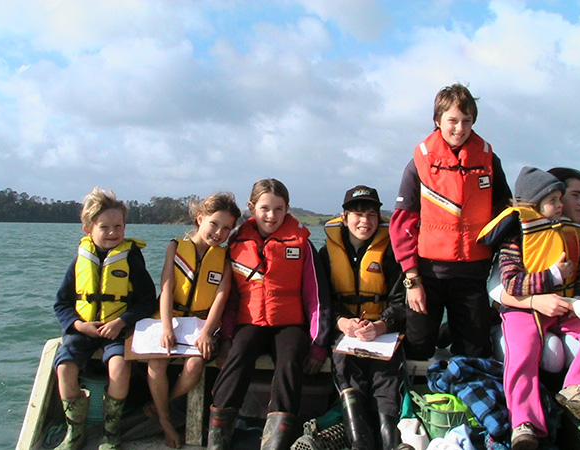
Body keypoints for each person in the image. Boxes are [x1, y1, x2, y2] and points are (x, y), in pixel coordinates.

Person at [206, 178, 331, 450]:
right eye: (264, 208)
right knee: (237, 357)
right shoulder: (237, 243)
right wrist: (226, 337)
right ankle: (218, 441)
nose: (271, 215)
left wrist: (319, 346)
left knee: (289, 363)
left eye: (278, 209)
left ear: (287, 209)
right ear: (252, 207)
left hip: (290, 325)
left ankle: (275, 443)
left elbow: (317, 298)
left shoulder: (303, 244)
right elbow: (230, 298)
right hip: (249, 322)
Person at [389, 83, 511, 360]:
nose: (460, 128)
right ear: (437, 120)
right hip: (428, 275)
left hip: (473, 275)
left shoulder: (490, 161)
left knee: (475, 350)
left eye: (466, 121)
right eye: (452, 120)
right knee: (418, 347)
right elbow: (403, 223)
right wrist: (412, 279)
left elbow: (504, 214)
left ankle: (468, 399)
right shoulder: (418, 163)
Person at [478, 167, 580, 450]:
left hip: (563, 310)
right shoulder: (518, 235)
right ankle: (524, 423)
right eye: (574, 195)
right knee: (526, 350)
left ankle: (577, 390)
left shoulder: (573, 236)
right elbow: (505, 287)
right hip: (525, 313)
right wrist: (550, 281)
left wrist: (578, 303)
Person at [53, 187, 157, 450]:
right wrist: (79, 325)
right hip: (83, 330)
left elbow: (147, 301)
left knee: (119, 369)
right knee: (64, 368)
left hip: (118, 330)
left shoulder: (131, 259)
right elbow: (62, 303)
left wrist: (121, 322)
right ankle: (74, 432)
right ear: (89, 229)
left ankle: (111, 432)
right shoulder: (79, 261)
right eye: (105, 227)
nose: (113, 233)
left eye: (118, 226)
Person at [146, 192, 241, 448]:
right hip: (171, 315)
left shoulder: (225, 257)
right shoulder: (175, 247)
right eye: (214, 224)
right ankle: (166, 421)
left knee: (195, 365)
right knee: (156, 361)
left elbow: (221, 297)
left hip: (201, 322)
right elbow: (166, 288)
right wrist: (167, 327)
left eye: (226, 228)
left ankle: (160, 407)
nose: (219, 232)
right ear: (200, 219)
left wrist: (207, 332)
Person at [320, 185, 407, 450]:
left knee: (387, 372)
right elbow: (322, 300)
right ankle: (360, 442)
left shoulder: (391, 252)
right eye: (357, 214)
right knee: (344, 366)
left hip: (384, 332)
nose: (365, 221)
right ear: (344, 218)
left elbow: (401, 301)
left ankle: (390, 441)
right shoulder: (327, 254)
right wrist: (342, 322)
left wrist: (381, 326)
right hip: (344, 332)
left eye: (371, 214)